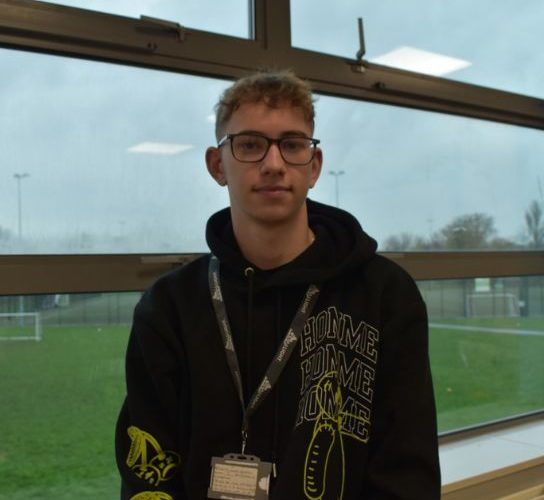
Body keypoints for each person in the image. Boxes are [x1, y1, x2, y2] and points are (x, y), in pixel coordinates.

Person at [115, 69, 441, 499]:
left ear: (314, 165)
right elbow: (148, 467)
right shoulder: (171, 305)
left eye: (292, 145)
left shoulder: (384, 294)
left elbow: (406, 466)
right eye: (250, 145)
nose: (273, 164)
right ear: (217, 165)